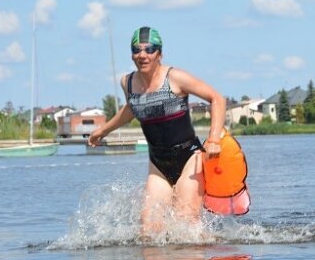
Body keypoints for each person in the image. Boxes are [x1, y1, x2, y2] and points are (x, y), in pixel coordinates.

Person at [88, 26, 226, 236]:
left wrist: (214, 137)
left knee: (186, 223)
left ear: (159, 54)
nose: (142, 55)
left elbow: (217, 99)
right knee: (148, 230)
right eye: (137, 50)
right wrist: (103, 131)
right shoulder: (128, 82)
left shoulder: (175, 78)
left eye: (149, 49)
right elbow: (133, 108)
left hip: (189, 158)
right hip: (158, 163)